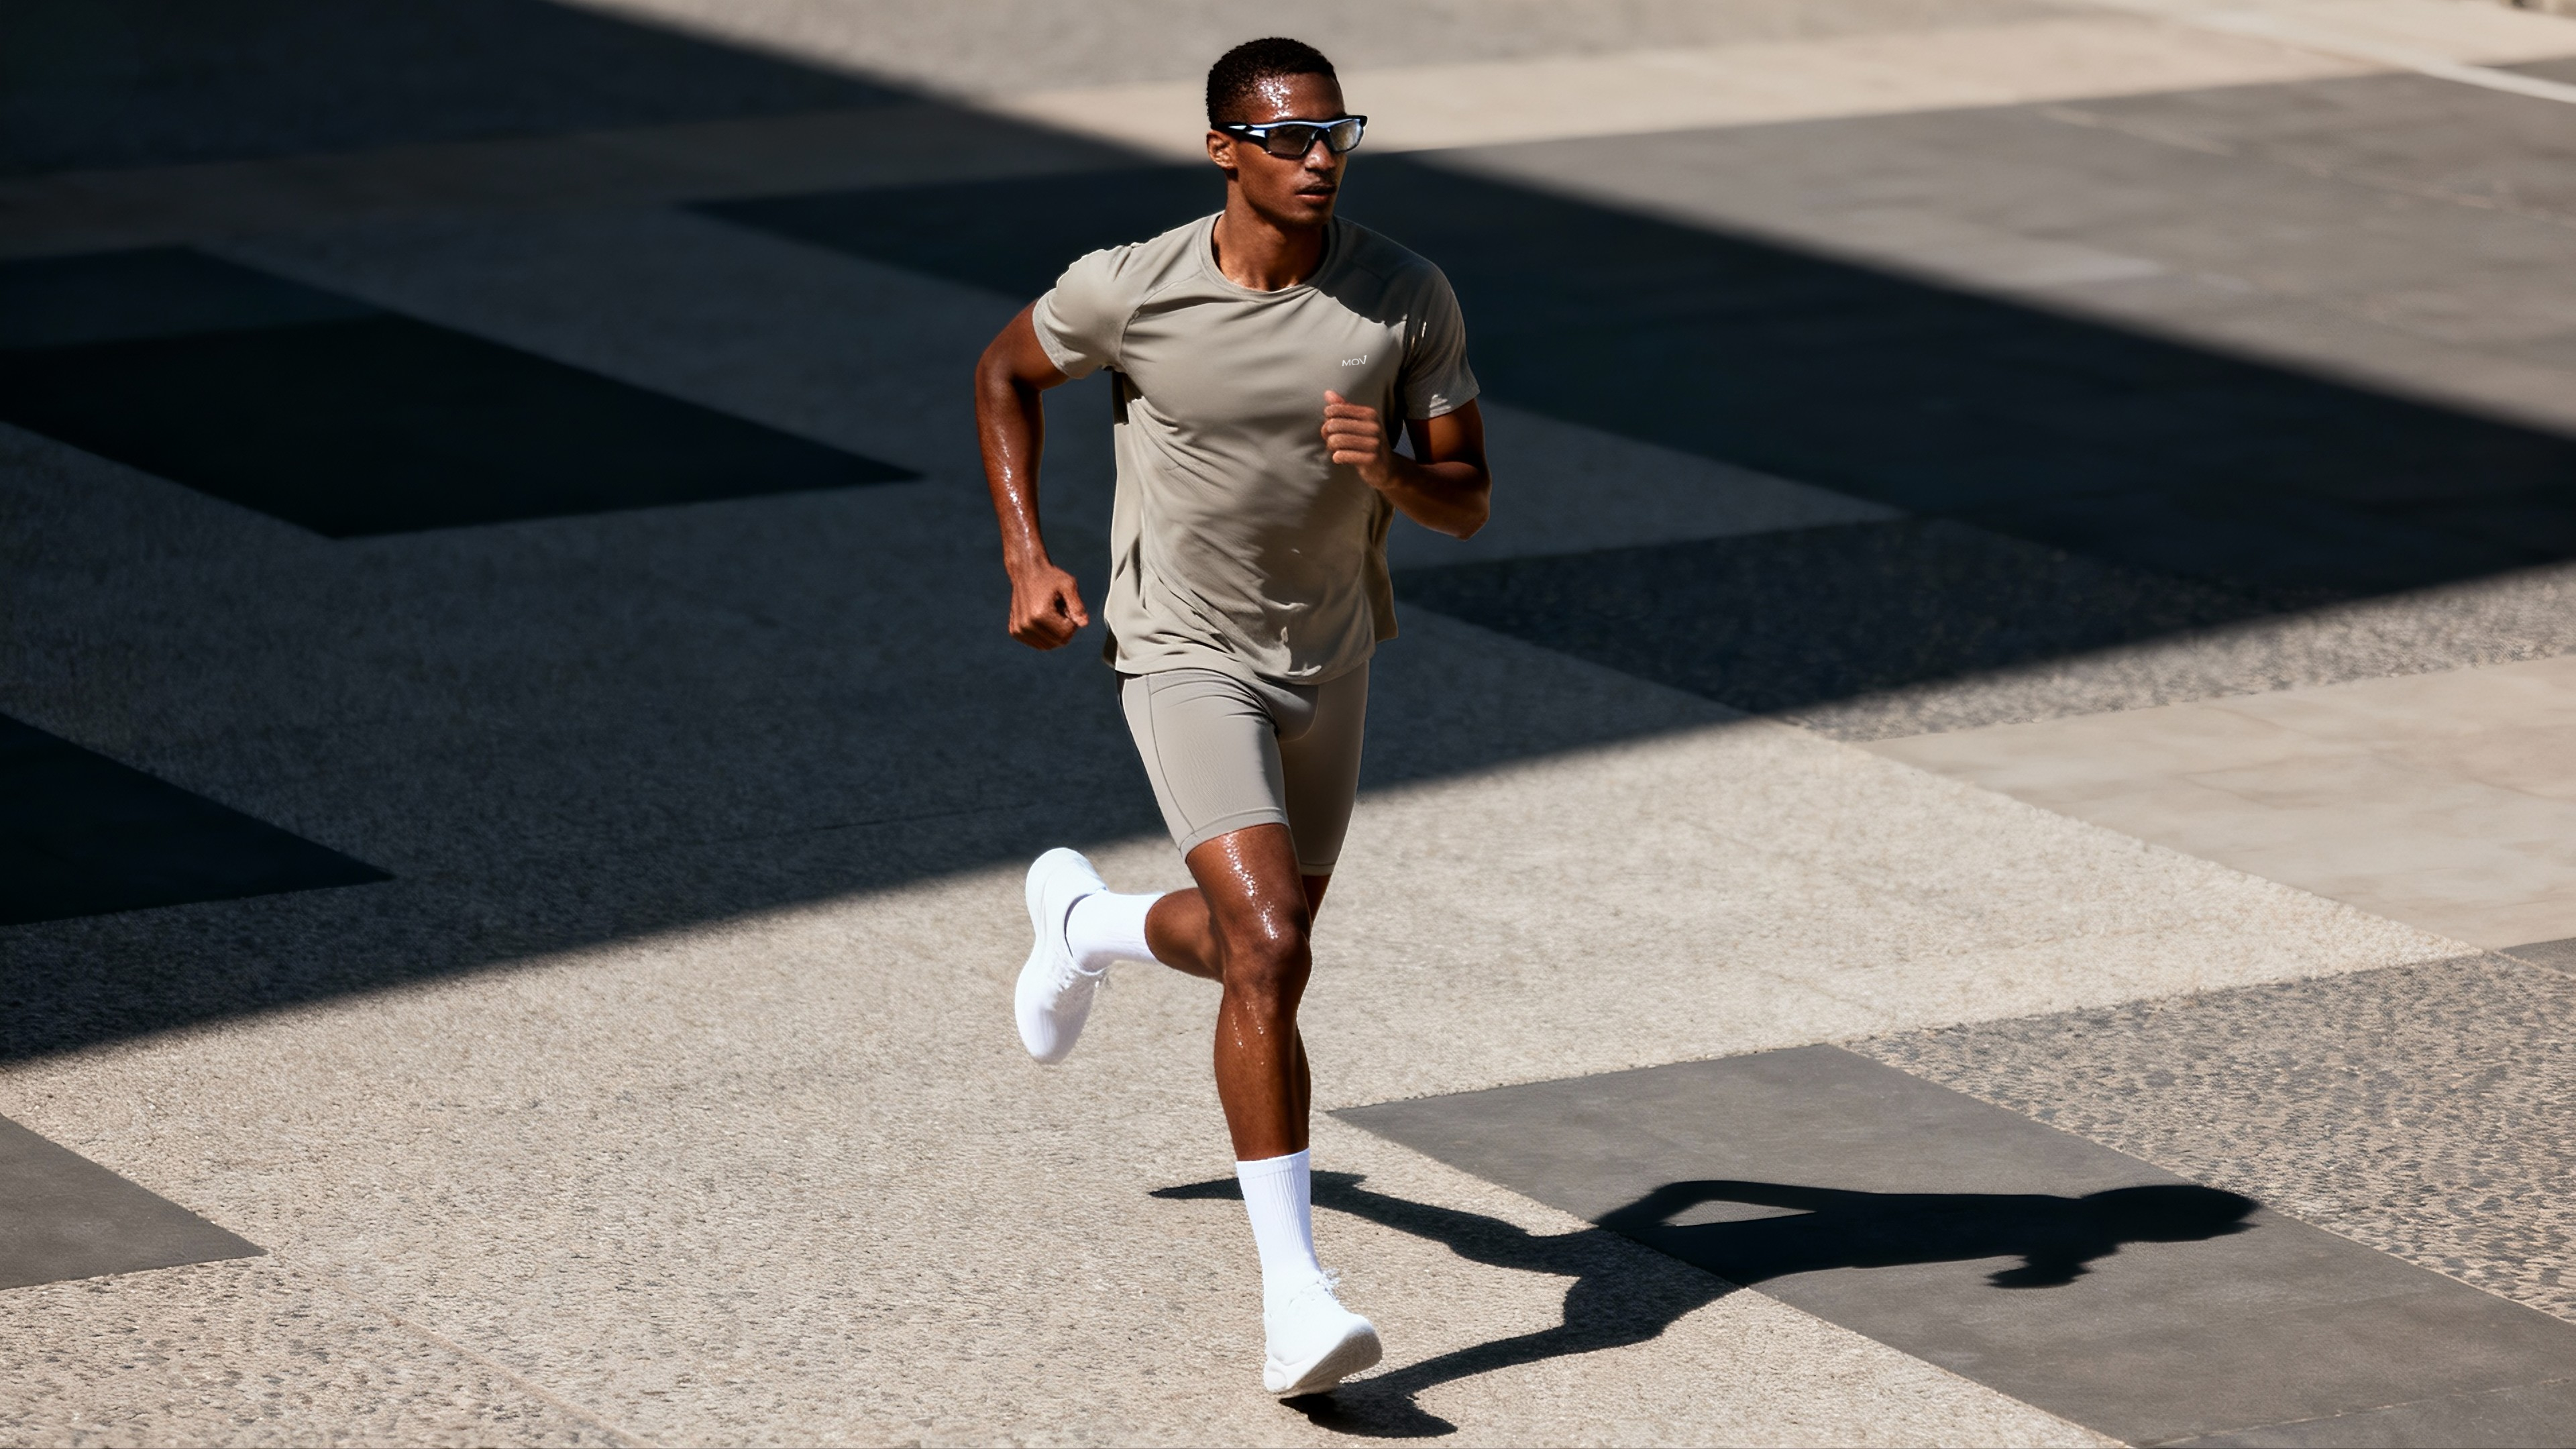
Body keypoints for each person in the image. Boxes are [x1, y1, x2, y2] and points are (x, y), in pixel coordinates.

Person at [973, 36, 1491, 1397]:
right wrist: (1028, 555)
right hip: (1182, 649)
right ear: (1225, 149)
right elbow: (1005, 375)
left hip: (1332, 651)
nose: (1321, 157)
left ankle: (1087, 925)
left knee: (1273, 943)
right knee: (1268, 946)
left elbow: (1470, 494)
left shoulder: (1403, 297)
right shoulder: (1130, 289)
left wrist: (1393, 472)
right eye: (1291, 137)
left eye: (1339, 133)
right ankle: (1295, 1301)